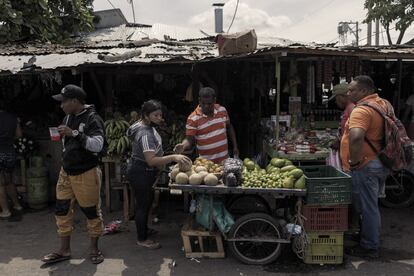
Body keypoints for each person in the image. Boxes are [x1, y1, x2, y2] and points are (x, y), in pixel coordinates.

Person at [42, 84, 105, 264]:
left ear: (75, 101)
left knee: (91, 211)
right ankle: (64, 250)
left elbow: (98, 145)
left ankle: (94, 248)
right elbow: (67, 143)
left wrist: (75, 133)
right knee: (61, 210)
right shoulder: (68, 117)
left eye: (64, 102)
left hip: (86, 172)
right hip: (66, 172)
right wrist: (64, 136)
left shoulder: (93, 119)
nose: (61, 105)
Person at [127, 100, 191, 249]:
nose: (160, 118)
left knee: (147, 202)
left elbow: (130, 133)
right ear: (146, 116)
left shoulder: (140, 125)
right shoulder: (145, 133)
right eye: (155, 115)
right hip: (141, 171)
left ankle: (144, 229)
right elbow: (151, 160)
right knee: (143, 205)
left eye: (160, 115)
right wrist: (173, 157)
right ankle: (142, 239)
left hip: (141, 169)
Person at [340, 75, 390, 259]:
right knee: (369, 205)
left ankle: (369, 246)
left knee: (368, 207)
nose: (348, 92)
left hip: (366, 164)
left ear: (363, 91)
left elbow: (356, 137)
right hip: (377, 161)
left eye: (352, 89)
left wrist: (354, 162)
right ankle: (367, 238)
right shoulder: (382, 103)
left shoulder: (361, 111)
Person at [174, 87, 239, 164]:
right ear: (199, 100)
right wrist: (183, 146)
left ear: (214, 100)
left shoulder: (222, 110)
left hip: (224, 161)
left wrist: (235, 146)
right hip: (205, 165)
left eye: (209, 104)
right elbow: (189, 140)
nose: (206, 106)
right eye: (203, 103)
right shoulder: (193, 118)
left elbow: (229, 127)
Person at [0, 99, 23, 219]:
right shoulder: (13, 117)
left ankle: (5, 211)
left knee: (0, 185)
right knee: (9, 181)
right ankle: (17, 205)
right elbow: (19, 135)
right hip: (9, 152)